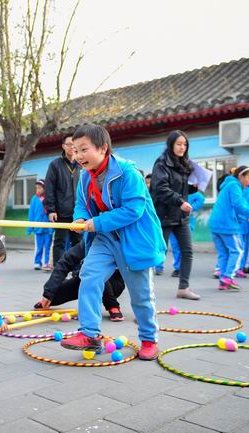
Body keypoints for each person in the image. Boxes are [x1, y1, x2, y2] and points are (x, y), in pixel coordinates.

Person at [59, 124, 166, 360]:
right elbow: (81, 204)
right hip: (105, 238)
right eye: (75, 151)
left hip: (134, 240)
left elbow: (133, 210)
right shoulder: (85, 177)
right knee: (89, 275)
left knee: (140, 295)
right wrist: (80, 218)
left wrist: (96, 222)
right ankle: (90, 334)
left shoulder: (129, 173)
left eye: (84, 149)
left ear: (103, 148)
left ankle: (149, 339)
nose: (78, 156)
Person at [150, 130, 199, 300]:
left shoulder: (183, 164)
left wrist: (193, 188)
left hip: (180, 216)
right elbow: (160, 188)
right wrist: (180, 201)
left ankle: (183, 288)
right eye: (179, 144)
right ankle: (145, 290)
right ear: (171, 144)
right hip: (164, 215)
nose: (182, 147)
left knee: (187, 251)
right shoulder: (161, 163)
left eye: (185, 144)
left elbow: (179, 188)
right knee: (157, 253)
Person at [34, 241, 126, 321]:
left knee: (96, 271)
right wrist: (49, 293)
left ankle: (113, 306)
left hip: (113, 285)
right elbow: (64, 263)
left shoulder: (119, 241)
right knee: (54, 295)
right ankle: (49, 300)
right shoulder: (89, 241)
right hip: (85, 281)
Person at [208, 166, 249, 291]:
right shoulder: (235, 186)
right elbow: (238, 204)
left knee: (224, 253)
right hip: (227, 224)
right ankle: (228, 277)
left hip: (216, 224)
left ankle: (223, 280)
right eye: (248, 178)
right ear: (241, 176)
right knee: (237, 251)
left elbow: (239, 205)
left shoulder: (228, 186)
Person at [45, 134, 81, 264]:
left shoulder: (81, 165)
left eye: (74, 145)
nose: (72, 147)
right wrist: (51, 210)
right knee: (59, 242)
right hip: (61, 212)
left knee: (78, 242)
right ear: (63, 146)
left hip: (78, 212)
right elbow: (49, 188)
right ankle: (58, 269)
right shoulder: (55, 165)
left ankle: (77, 270)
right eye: (69, 144)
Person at [146, 173, 179, 278]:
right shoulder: (146, 194)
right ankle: (158, 267)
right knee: (160, 245)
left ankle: (178, 268)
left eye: (150, 183)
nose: (148, 185)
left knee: (176, 245)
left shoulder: (164, 191)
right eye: (146, 183)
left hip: (171, 220)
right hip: (160, 222)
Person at [28, 179, 54, 271]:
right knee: (39, 247)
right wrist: (30, 227)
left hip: (48, 228)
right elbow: (31, 213)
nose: (38, 190)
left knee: (48, 247)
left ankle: (47, 263)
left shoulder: (49, 198)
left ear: (44, 188)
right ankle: (37, 262)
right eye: (37, 188)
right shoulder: (34, 199)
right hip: (38, 228)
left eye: (40, 188)